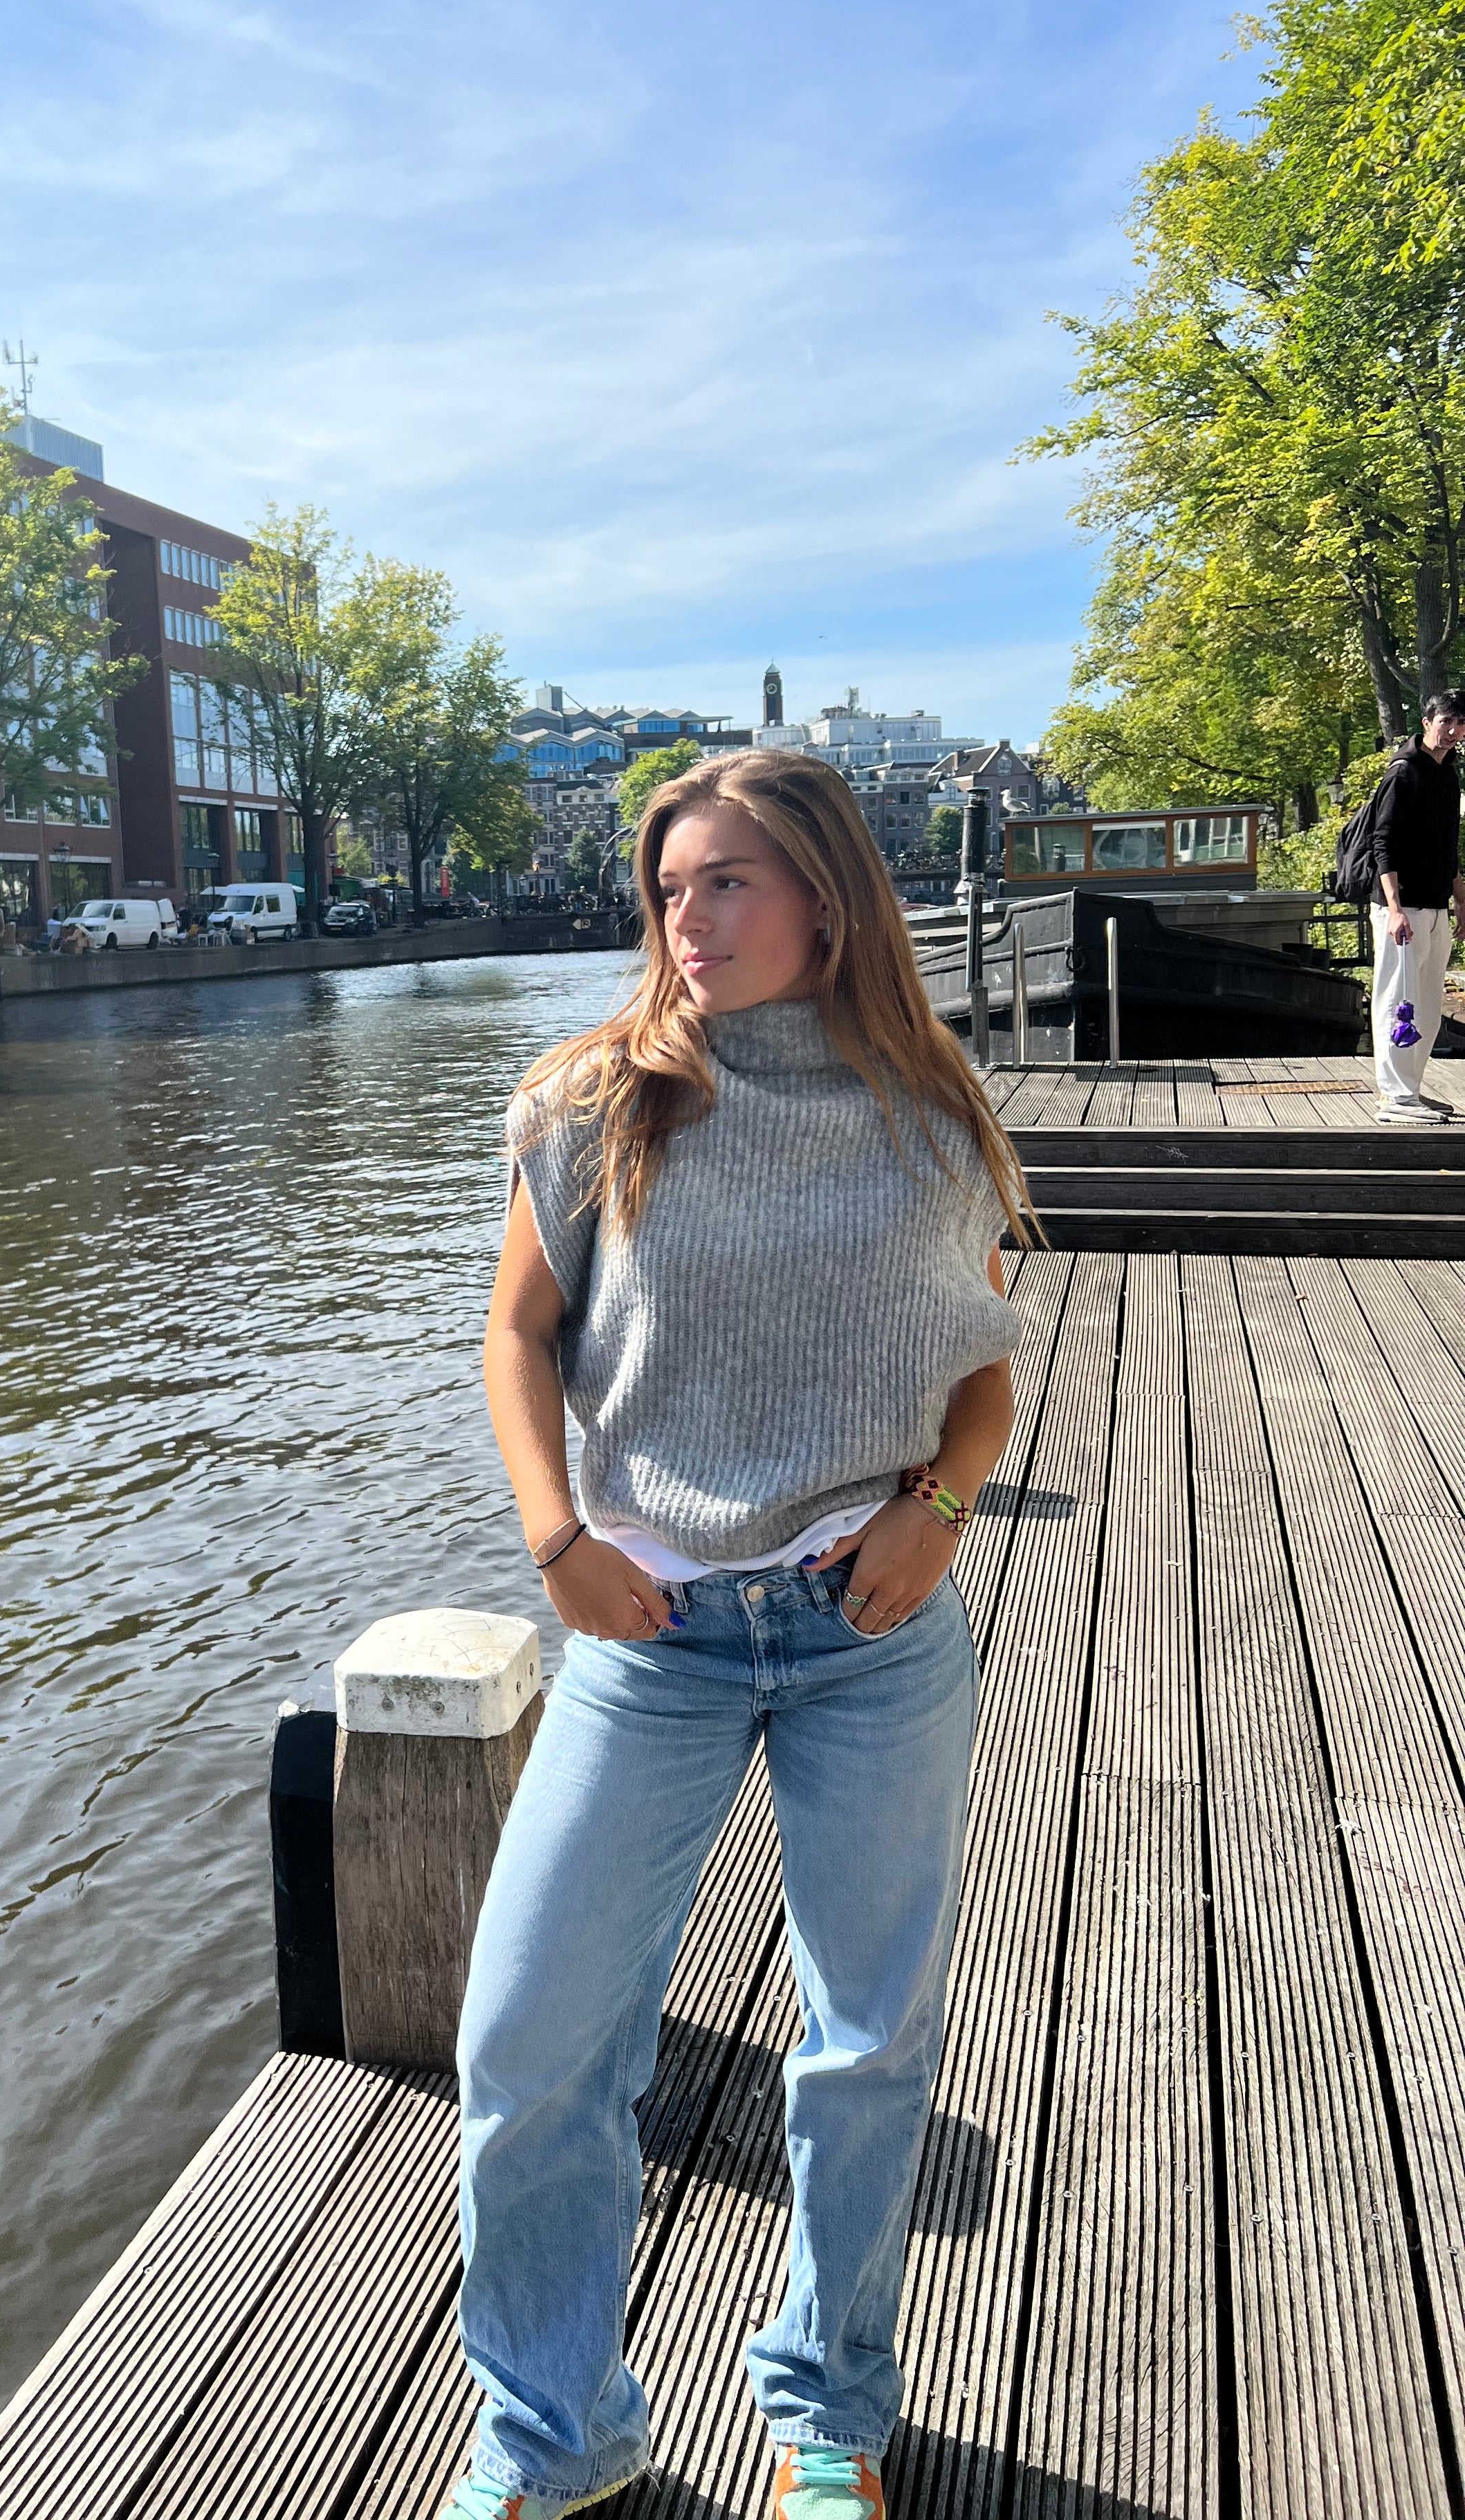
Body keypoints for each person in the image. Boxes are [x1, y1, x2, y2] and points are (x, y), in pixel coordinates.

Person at [445, 751, 1032, 2520]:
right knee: (528, 2045)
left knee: (865, 2046)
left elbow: (981, 1379)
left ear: (827, 897)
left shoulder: (933, 1115)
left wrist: (940, 1514)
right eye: (670, 888)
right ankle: (553, 2441)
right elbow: (518, 1337)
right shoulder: (591, 1103)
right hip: (651, 1629)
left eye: (728, 882)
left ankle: (831, 2414)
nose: (685, 919)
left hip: (870, 1629)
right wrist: (553, 1537)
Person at [1370, 690, 1465, 1123]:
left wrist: (1460, 899)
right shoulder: (1403, 772)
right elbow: (1383, 844)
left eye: (1461, 724)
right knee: (1398, 999)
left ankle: (1410, 1090)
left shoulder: (1448, 773)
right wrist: (1394, 909)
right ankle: (1394, 1097)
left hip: (1435, 906)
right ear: (1427, 722)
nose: (1454, 731)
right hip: (1402, 909)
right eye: (1447, 721)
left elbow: (1448, 847)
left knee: (1427, 1005)